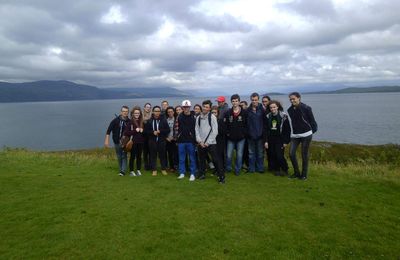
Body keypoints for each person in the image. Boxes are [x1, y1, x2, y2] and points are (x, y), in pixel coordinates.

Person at [287, 92, 318, 180]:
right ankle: (296, 173)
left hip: (306, 134)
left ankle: (304, 175)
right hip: (295, 135)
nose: (292, 100)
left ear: (299, 98)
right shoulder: (290, 110)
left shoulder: (306, 108)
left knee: (304, 155)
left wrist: (311, 132)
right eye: (290, 99)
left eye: (293, 98)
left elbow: (312, 121)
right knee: (291, 153)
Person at [195, 100, 225, 183]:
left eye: (207, 107)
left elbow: (215, 131)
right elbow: (196, 130)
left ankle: (221, 176)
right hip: (201, 143)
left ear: (209, 108)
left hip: (211, 143)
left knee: (216, 160)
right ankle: (202, 174)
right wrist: (200, 141)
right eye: (204, 106)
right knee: (201, 160)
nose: (205, 108)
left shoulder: (212, 117)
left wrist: (207, 143)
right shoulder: (198, 118)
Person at [263, 101, 290, 176]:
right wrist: (265, 141)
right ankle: (277, 170)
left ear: (277, 107)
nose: (272, 109)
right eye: (271, 107)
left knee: (279, 155)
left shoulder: (284, 116)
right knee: (272, 154)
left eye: (274, 107)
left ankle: (285, 169)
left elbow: (288, 130)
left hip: (280, 139)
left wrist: (285, 141)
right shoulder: (268, 116)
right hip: (270, 138)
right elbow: (265, 129)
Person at [224, 94, 247, 175]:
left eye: (236, 101)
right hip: (231, 138)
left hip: (241, 138)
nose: (235, 103)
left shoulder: (244, 112)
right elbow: (225, 125)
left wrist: (244, 134)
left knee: (239, 155)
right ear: (231, 102)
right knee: (229, 155)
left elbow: (247, 125)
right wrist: (228, 133)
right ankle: (228, 168)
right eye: (233, 101)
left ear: (239, 101)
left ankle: (237, 170)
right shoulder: (228, 112)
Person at [144, 106, 170, 176]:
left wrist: (160, 131)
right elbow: (146, 131)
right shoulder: (149, 121)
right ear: (153, 112)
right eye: (155, 111)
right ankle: (154, 170)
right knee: (153, 156)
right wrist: (153, 132)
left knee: (162, 156)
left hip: (161, 141)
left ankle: (163, 169)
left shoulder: (163, 120)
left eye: (158, 111)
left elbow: (168, 130)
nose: (157, 112)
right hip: (152, 141)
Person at [104, 106, 130, 176]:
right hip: (116, 141)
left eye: (126, 111)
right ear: (121, 112)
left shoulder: (129, 121)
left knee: (124, 155)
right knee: (119, 156)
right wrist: (106, 141)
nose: (125, 112)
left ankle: (123, 171)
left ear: (128, 112)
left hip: (125, 142)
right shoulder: (115, 120)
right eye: (123, 111)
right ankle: (121, 169)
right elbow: (108, 131)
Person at [176, 100, 197, 181]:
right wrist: (177, 138)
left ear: (190, 107)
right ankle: (182, 173)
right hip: (181, 141)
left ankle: (192, 174)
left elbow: (196, 129)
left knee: (192, 158)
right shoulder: (179, 116)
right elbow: (176, 128)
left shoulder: (194, 116)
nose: (186, 108)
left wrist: (195, 139)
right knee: (181, 158)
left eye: (187, 107)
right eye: (184, 107)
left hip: (191, 141)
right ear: (182, 108)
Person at [124, 106, 145, 176]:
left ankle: (138, 170)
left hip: (141, 142)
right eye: (135, 113)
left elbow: (145, 133)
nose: (137, 114)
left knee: (139, 156)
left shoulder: (142, 122)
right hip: (133, 142)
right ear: (132, 113)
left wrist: (143, 131)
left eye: (138, 113)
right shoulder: (130, 122)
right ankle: (131, 171)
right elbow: (126, 132)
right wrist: (134, 131)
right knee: (133, 156)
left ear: (140, 114)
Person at [246, 93, 265, 173]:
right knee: (251, 153)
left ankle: (260, 168)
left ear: (258, 100)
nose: (254, 101)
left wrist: (263, 134)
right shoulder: (247, 110)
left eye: (256, 100)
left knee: (260, 153)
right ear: (251, 100)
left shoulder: (262, 109)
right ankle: (252, 168)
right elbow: (246, 123)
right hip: (250, 136)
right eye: (253, 100)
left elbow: (265, 123)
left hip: (260, 135)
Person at [211, 105, 226, 174]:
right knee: (214, 156)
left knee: (220, 156)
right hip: (212, 141)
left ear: (218, 113)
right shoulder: (209, 122)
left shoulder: (220, 121)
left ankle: (221, 169)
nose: (214, 114)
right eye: (212, 112)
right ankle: (216, 169)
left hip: (220, 141)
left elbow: (223, 132)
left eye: (215, 113)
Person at [165, 106, 178, 172]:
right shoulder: (165, 120)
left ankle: (176, 166)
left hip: (175, 139)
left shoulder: (176, 119)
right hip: (167, 140)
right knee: (169, 154)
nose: (170, 113)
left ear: (174, 112)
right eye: (168, 112)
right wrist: (166, 138)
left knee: (176, 154)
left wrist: (174, 137)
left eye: (171, 111)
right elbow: (163, 130)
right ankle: (172, 167)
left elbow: (178, 130)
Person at [143, 103, 152, 171]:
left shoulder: (152, 116)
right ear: (144, 108)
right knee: (145, 151)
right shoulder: (141, 116)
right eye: (147, 107)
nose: (148, 108)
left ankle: (151, 165)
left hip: (151, 136)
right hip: (143, 136)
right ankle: (146, 165)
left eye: (149, 107)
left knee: (151, 151)